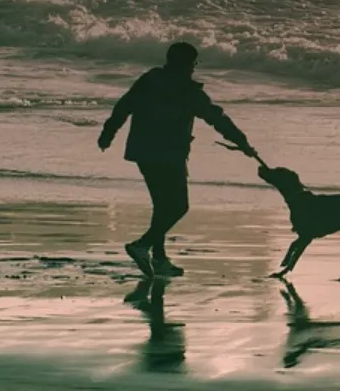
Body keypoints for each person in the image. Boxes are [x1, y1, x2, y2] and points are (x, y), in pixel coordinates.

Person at [99, 41, 256, 277]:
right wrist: (242, 142)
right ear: (186, 64)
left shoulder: (150, 79)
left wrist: (108, 133)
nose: (194, 68)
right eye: (193, 63)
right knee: (179, 206)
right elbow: (217, 118)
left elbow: (125, 105)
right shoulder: (188, 91)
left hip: (143, 150)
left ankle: (159, 259)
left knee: (162, 205)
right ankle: (142, 245)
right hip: (169, 154)